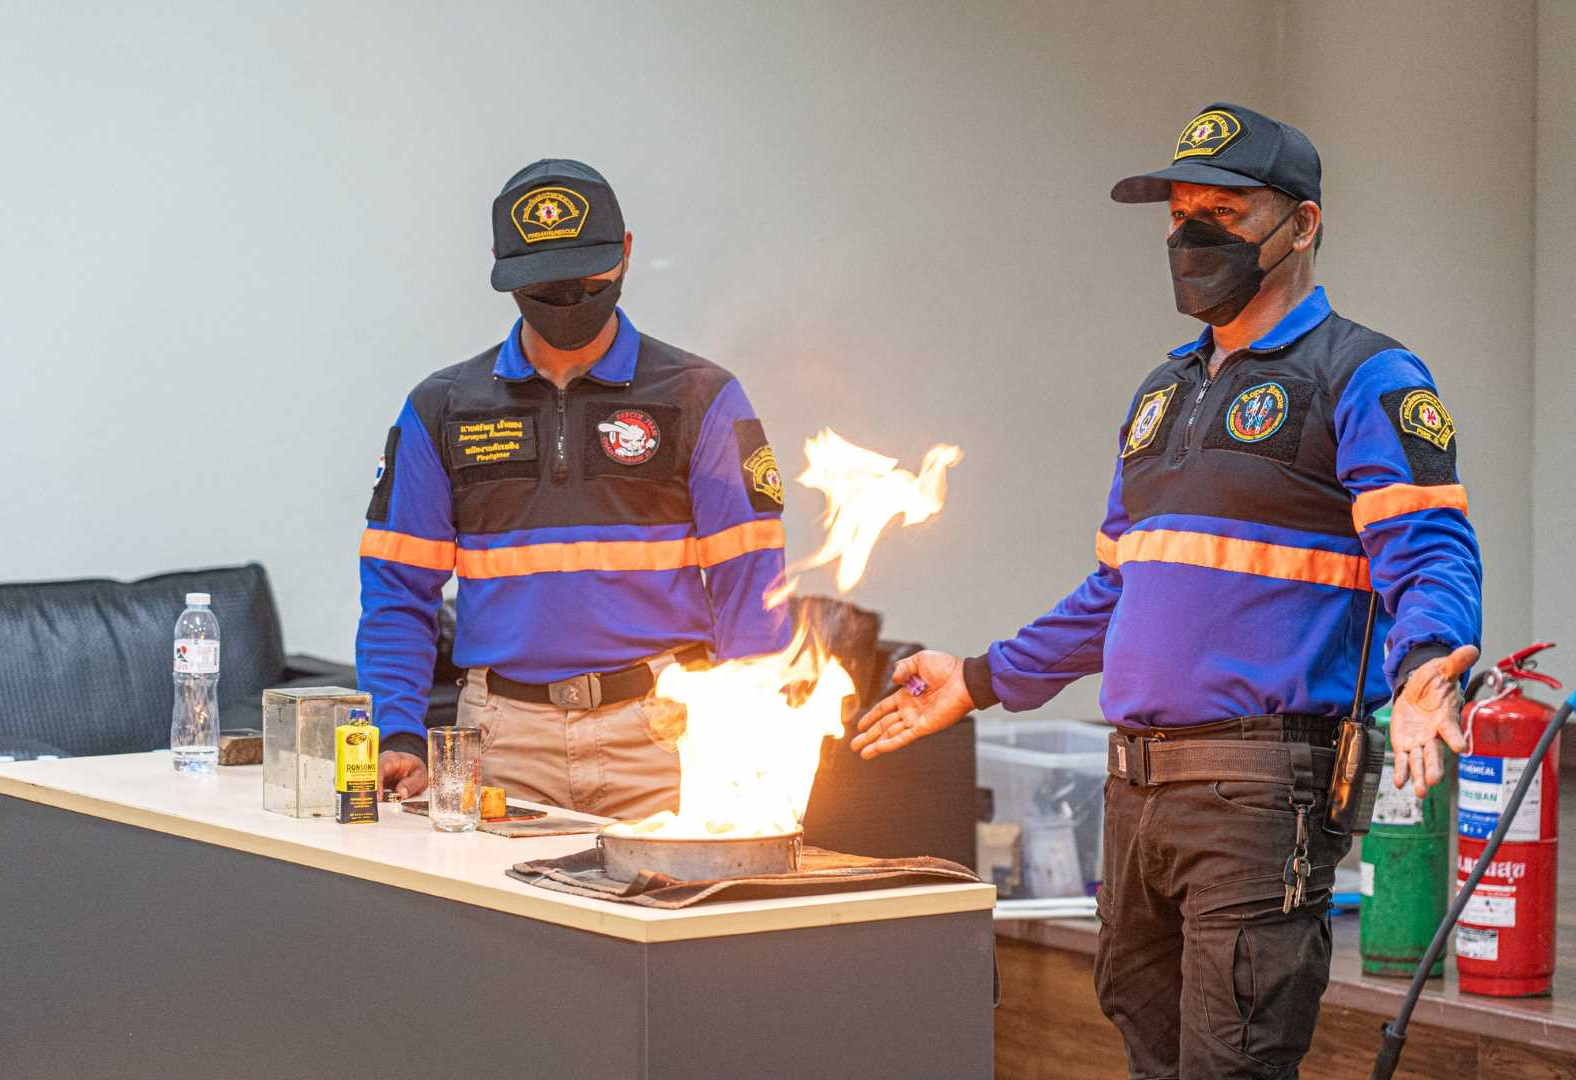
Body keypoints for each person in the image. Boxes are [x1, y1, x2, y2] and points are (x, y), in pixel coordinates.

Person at [853, 103, 1482, 1077]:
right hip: (1134, 790)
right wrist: (978, 679)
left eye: (1221, 213)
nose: (1191, 236)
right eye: (1179, 213)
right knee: (1146, 1045)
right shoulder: (1163, 391)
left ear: (1301, 224)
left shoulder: (1362, 376)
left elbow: (1428, 548)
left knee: (1230, 1058)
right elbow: (1119, 589)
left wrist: (1426, 667)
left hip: (1258, 792)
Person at [358, 159, 791, 820]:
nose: (568, 299)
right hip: (501, 742)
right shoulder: (442, 408)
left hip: (666, 734)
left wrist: (754, 739)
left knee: (681, 891)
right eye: (545, 283)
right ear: (503, 269)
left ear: (625, 252)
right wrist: (397, 733)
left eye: (586, 277)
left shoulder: (701, 398)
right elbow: (397, 589)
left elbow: (752, 584)